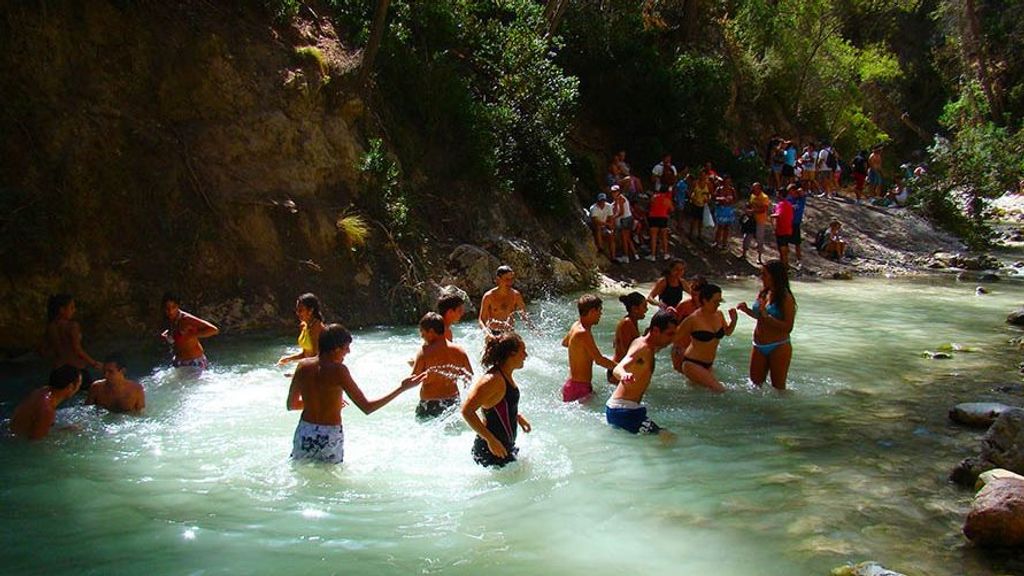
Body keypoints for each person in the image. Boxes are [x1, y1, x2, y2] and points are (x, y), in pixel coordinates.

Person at [286, 324, 425, 463]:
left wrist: (324, 403)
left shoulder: (302, 366)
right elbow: (367, 407)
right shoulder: (339, 370)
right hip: (329, 435)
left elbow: (291, 405)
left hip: (304, 431)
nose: (348, 352)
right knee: (327, 482)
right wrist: (402, 388)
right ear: (335, 349)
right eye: (346, 348)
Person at [461, 331, 532, 467]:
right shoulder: (492, 380)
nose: (526, 356)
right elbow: (466, 411)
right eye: (523, 351)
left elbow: (497, 405)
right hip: (491, 453)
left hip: (503, 449)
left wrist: (516, 416)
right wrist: (490, 440)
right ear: (511, 354)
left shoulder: (505, 375)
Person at [606, 310, 677, 439]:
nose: (671, 339)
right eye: (669, 334)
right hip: (623, 411)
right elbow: (618, 368)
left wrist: (667, 314)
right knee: (667, 437)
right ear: (655, 330)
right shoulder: (642, 349)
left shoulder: (643, 342)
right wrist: (623, 375)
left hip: (622, 409)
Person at [737, 260, 797, 390]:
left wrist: (766, 316)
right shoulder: (764, 293)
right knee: (754, 386)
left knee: (778, 388)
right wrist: (747, 310)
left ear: (775, 276)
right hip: (758, 344)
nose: (761, 277)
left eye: (765, 274)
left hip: (778, 346)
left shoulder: (786, 298)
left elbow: (788, 327)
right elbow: (760, 317)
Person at [676, 284, 738, 393]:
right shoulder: (693, 319)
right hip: (692, 363)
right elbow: (673, 338)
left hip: (708, 364)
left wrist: (734, 321)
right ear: (704, 300)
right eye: (715, 302)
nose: (718, 304)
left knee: (700, 395)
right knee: (721, 391)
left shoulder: (719, 315)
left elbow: (727, 332)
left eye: (720, 301)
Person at [411, 312, 473, 419]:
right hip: (452, 403)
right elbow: (469, 377)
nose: (421, 336)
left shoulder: (424, 352)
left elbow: (413, 381)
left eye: (422, 332)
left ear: (431, 331)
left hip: (429, 404)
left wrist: (413, 365)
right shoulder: (460, 351)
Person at [561, 295, 617, 402]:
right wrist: (621, 368)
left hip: (574, 385)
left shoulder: (576, 325)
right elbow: (599, 360)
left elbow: (565, 343)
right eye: (599, 311)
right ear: (592, 311)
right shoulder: (582, 333)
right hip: (579, 388)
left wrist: (580, 352)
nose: (601, 314)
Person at [41, 294, 102, 387]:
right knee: (92, 397)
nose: (74, 310)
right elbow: (77, 349)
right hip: (76, 370)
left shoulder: (50, 327)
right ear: (62, 310)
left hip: (57, 371)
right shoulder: (72, 326)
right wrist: (94, 363)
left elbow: (42, 351)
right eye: (71, 307)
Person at [10, 365, 82, 440]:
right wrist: (64, 432)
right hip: (17, 441)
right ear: (70, 386)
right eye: (79, 385)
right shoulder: (47, 409)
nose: (78, 389)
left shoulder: (41, 391)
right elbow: (35, 441)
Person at [161, 293, 219, 370]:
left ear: (178, 306)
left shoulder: (187, 319)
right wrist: (166, 335)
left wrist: (192, 335)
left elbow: (214, 330)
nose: (170, 311)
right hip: (179, 361)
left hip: (194, 361)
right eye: (167, 308)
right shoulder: (170, 319)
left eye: (173, 307)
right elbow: (175, 334)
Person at [669, 275, 707, 371]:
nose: (693, 290)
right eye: (691, 287)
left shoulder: (709, 308)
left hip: (698, 350)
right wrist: (671, 315)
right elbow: (673, 326)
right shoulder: (684, 305)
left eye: (696, 288)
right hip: (681, 348)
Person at [608, 292, 648, 383]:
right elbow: (628, 351)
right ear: (635, 309)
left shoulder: (632, 322)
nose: (647, 310)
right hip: (618, 371)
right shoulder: (627, 323)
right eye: (644, 306)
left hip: (622, 369)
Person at [277, 293, 325, 366]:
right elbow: (304, 354)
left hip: (315, 369)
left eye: (300, 310)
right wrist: (288, 359)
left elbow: (317, 357)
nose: (297, 313)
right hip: (308, 365)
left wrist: (300, 372)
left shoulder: (316, 328)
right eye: (297, 310)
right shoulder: (304, 325)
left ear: (311, 310)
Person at [478, 265, 529, 333]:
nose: (510, 282)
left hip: (509, 333)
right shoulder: (488, 296)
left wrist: (535, 330)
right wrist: (487, 334)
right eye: (507, 279)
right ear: (498, 279)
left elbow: (524, 316)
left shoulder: (516, 295)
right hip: (493, 333)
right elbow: (481, 320)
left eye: (512, 279)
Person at [646, 183, 673, 261]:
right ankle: (665, 254)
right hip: (663, 217)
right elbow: (672, 209)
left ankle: (653, 255)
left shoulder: (654, 197)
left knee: (653, 237)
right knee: (664, 237)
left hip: (653, 217)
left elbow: (650, 206)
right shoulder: (667, 199)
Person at [610, 185, 637, 263]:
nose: (614, 193)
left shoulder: (621, 199)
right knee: (627, 238)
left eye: (615, 191)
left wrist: (614, 217)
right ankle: (635, 254)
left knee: (624, 239)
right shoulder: (618, 199)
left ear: (618, 191)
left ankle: (626, 256)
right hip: (628, 218)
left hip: (625, 219)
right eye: (613, 192)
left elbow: (621, 212)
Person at [744, 183, 771, 263]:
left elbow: (764, 209)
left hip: (760, 221)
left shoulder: (764, 197)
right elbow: (750, 205)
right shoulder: (752, 195)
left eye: (755, 188)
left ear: (759, 188)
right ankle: (744, 254)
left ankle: (759, 257)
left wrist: (753, 211)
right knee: (747, 236)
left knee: (759, 239)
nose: (753, 190)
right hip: (751, 220)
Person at [772, 186, 795, 269]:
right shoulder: (789, 204)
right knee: (784, 248)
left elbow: (779, 215)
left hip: (782, 230)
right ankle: (785, 265)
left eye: (778, 193)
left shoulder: (781, 204)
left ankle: (785, 267)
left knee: (782, 249)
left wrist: (770, 215)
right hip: (788, 229)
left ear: (780, 194)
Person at [712, 175, 737, 250]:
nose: (727, 183)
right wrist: (721, 199)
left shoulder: (732, 190)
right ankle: (716, 242)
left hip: (728, 210)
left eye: (729, 182)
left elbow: (736, 199)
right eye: (726, 181)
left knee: (727, 227)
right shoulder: (719, 189)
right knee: (720, 226)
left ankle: (724, 243)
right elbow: (714, 197)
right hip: (721, 209)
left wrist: (731, 201)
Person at [686, 170, 711, 241]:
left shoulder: (708, 184)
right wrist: (692, 198)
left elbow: (710, 194)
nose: (702, 177)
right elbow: (689, 192)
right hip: (695, 204)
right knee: (694, 220)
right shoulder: (695, 183)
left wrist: (708, 199)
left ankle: (699, 235)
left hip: (703, 205)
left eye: (704, 175)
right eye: (701, 175)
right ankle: (691, 234)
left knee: (701, 221)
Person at [589, 193, 616, 258]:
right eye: (601, 200)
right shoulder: (593, 208)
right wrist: (607, 224)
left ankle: (613, 256)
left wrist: (611, 226)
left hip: (604, 225)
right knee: (598, 227)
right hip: (595, 226)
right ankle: (600, 247)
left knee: (611, 236)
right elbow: (595, 220)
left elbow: (611, 217)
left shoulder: (608, 206)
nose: (602, 202)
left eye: (603, 200)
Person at [787, 184, 807, 265]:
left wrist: (799, 191)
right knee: (786, 241)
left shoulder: (801, 199)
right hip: (788, 222)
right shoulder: (789, 199)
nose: (790, 193)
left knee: (797, 242)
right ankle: (787, 258)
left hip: (796, 223)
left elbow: (802, 192)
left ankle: (799, 259)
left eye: (791, 191)